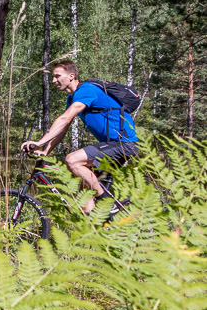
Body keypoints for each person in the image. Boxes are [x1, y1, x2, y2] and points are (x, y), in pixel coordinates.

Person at [21, 60, 139, 213]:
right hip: (112, 145)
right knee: (84, 196)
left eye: (57, 76)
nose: (54, 81)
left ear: (71, 76)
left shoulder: (86, 90)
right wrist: (45, 151)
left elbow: (65, 118)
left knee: (72, 160)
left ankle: (104, 201)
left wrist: (39, 142)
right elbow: (63, 128)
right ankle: (96, 226)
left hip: (124, 144)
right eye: (53, 77)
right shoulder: (72, 98)